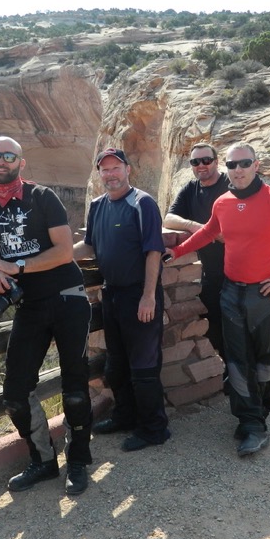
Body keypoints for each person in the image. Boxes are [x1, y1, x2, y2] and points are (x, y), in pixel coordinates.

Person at [164, 143, 270, 457]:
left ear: (256, 165)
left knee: (265, 360)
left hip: (265, 295)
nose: (238, 170)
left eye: (244, 164)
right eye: (232, 165)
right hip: (231, 292)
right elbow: (209, 232)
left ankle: (261, 405)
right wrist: (176, 251)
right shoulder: (223, 203)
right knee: (237, 360)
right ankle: (251, 423)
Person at [0, 136, 93, 495]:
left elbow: (64, 251)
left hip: (67, 297)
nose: (2, 161)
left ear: (21, 163)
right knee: (15, 393)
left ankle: (79, 461)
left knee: (74, 387)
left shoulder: (42, 197)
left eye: (9, 156)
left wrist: (15, 266)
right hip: (30, 306)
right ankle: (43, 461)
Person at [73, 147, 171, 452]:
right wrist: (56, 258)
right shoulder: (99, 205)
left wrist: (148, 297)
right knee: (117, 364)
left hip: (140, 294)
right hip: (112, 294)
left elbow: (154, 251)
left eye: (116, 168)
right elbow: (89, 247)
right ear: (99, 174)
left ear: (128, 170)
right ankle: (126, 416)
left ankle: (155, 429)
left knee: (143, 366)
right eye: (105, 169)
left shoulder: (142, 204)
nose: (111, 174)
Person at [164, 143, 231, 364]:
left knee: (238, 325)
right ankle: (224, 374)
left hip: (236, 271)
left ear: (216, 161)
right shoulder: (191, 189)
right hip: (209, 274)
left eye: (206, 160)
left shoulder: (230, 185)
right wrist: (200, 228)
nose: (201, 165)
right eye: (195, 162)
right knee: (212, 323)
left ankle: (247, 379)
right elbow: (169, 218)